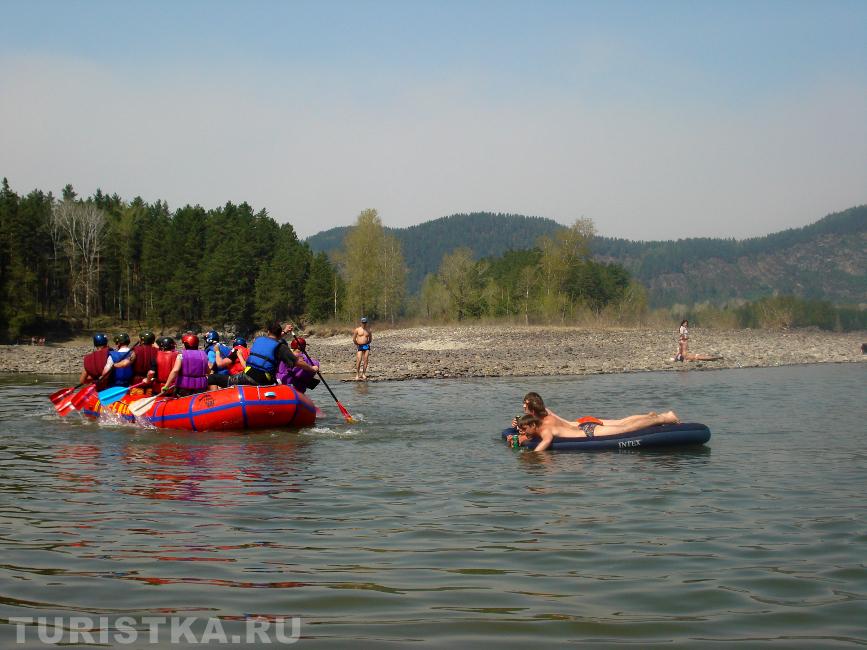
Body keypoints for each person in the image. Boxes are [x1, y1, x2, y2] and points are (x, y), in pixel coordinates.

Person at [207, 322, 319, 388]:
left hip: (246, 376)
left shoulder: (259, 340)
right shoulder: (281, 347)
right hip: (264, 380)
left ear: (268, 332)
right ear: (279, 333)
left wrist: (284, 331)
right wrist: (311, 368)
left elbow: (272, 339)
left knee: (213, 378)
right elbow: (297, 362)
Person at [515, 410, 680, 452]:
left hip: (590, 433)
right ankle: (654, 417)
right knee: (622, 425)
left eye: (525, 429)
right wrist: (523, 436)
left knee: (626, 428)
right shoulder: (546, 421)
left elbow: (545, 443)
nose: (525, 432)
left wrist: (530, 454)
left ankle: (664, 418)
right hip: (586, 428)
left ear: (534, 425)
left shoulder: (545, 430)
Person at [352, 316, 372, 380]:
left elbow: (370, 339)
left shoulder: (369, 330)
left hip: (366, 346)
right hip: (360, 346)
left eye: (365, 322)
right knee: (359, 360)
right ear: (361, 322)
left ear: (366, 322)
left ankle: (363, 374)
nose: (364, 324)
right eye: (363, 322)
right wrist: (357, 344)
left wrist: (367, 343)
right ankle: (357, 374)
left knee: (366, 360)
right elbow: (354, 339)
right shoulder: (357, 329)